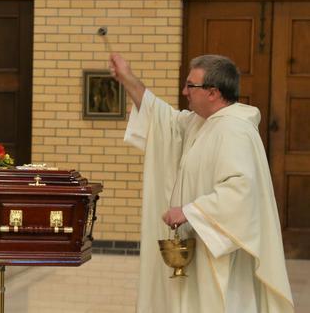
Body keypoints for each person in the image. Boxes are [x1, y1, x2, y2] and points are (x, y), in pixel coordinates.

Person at [109, 53, 294, 313]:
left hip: (221, 253)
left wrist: (188, 211)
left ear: (213, 92)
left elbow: (241, 191)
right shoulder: (202, 123)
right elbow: (163, 120)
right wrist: (128, 79)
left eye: (190, 85)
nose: (185, 91)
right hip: (202, 243)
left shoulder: (234, 131)